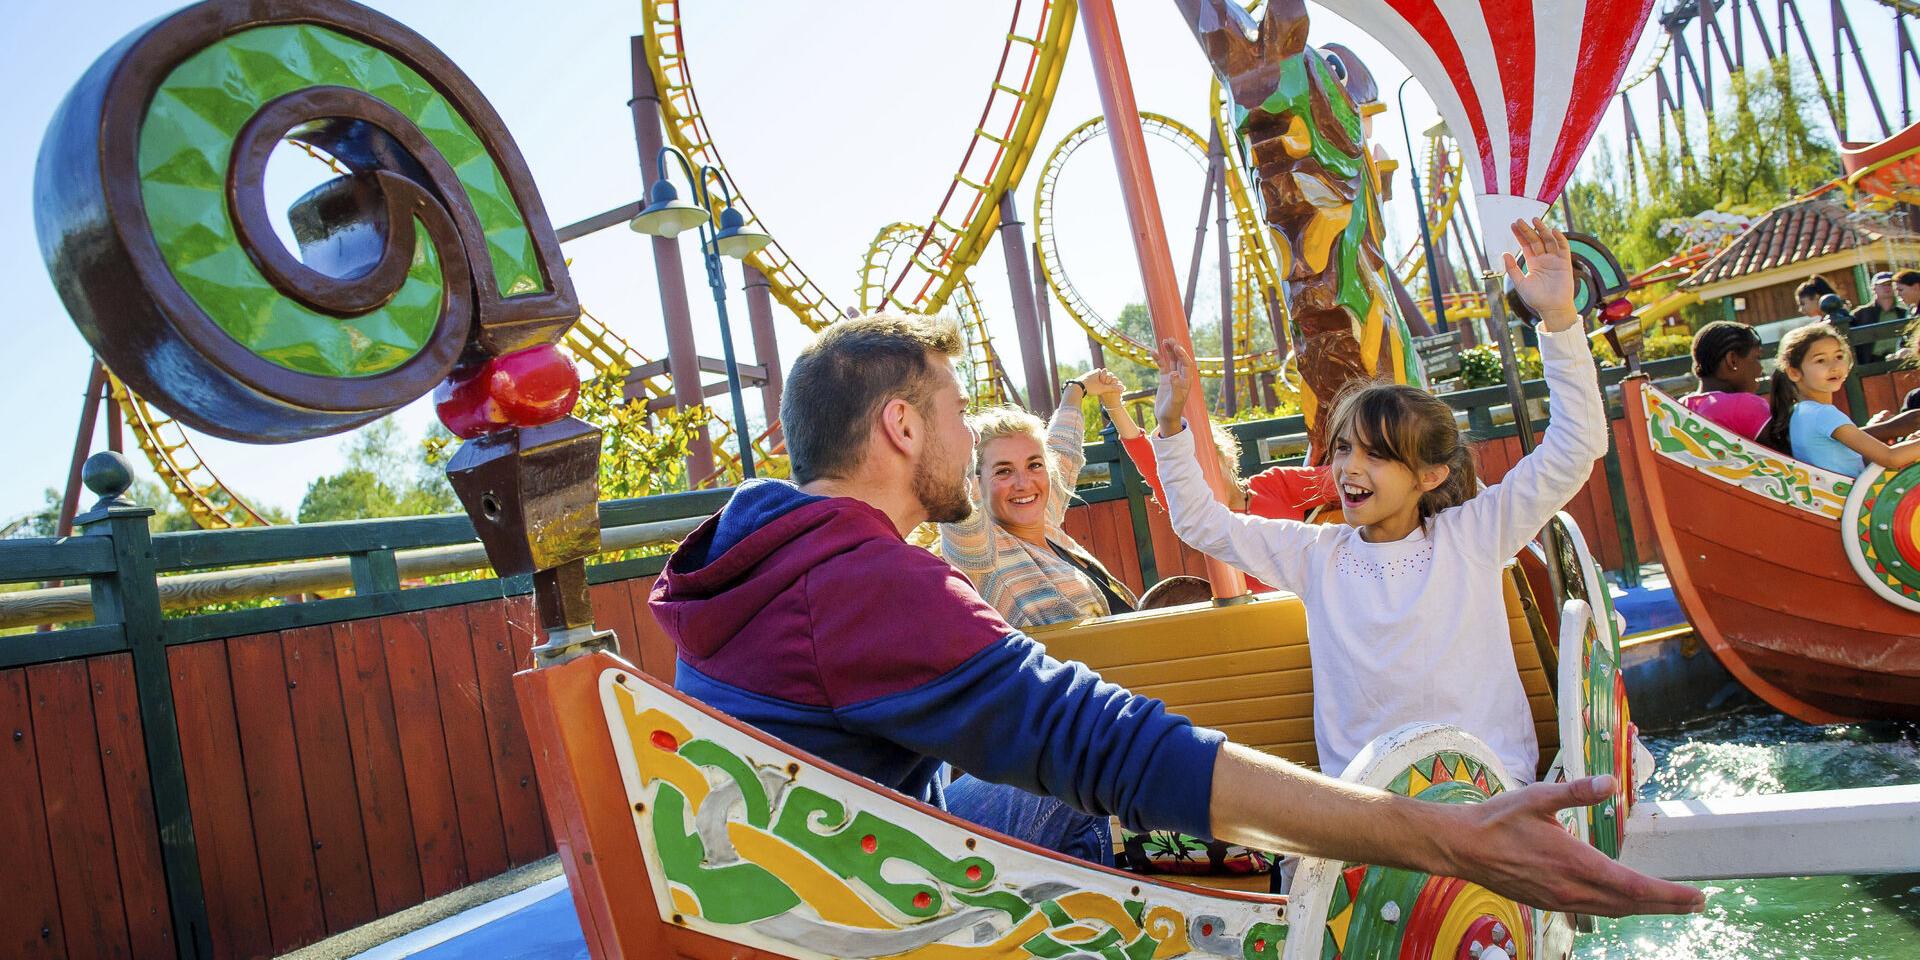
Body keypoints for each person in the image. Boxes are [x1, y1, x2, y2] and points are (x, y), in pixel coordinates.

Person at [650, 310, 1702, 918]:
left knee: (1067, 797)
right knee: (1094, 797)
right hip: (854, 914)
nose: (968, 439)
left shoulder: (763, 550)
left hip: (816, 884)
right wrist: (1433, 837)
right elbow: (1094, 737)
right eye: (957, 416)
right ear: (896, 425)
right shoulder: (861, 580)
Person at [1150, 219, 1595, 785]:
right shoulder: (1317, 555)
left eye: (1377, 455)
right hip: (1372, 812)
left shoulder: (1473, 536)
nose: (1349, 469)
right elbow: (1200, 522)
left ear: (1430, 475)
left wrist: (1558, 321)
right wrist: (1170, 425)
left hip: (1486, 795)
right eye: (1342, 449)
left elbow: (1574, 447)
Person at [1096, 380, 1337, 593]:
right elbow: (1151, 463)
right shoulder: (1197, 509)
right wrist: (1114, 406)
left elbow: (1340, 479)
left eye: (1207, 463)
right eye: (1194, 469)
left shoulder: (1274, 484)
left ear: (1227, 458)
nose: (1202, 475)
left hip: (1300, 601)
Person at [940, 374, 1136, 628]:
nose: (1024, 484)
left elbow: (1065, 452)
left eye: (1034, 465)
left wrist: (1076, 389)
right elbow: (957, 489)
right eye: (1003, 471)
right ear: (975, 482)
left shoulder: (1045, 523)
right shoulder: (982, 555)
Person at [1758, 321, 1920, 476]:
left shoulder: (1801, 411)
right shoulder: (1822, 414)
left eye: (1839, 356)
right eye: (1820, 360)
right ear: (1794, 372)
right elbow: (1890, 458)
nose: (1834, 366)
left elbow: (1855, 460)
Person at [1680, 321, 1770, 441]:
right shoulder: (1746, 406)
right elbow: (1786, 456)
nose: (1761, 368)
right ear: (1732, 360)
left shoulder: (1680, 406)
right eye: (1757, 358)